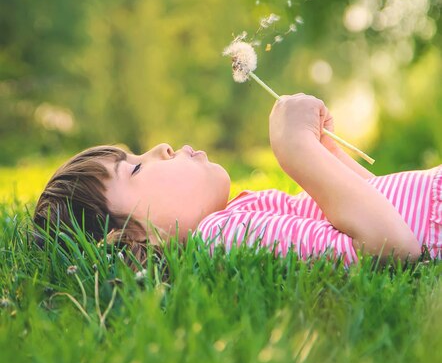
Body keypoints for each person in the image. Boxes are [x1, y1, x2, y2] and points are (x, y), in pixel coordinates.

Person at [33, 94, 442, 266]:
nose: (160, 147)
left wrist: (325, 153)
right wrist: (294, 150)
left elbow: (376, 203)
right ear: (135, 242)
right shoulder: (226, 236)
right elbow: (393, 244)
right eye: (136, 168)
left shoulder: (237, 214)